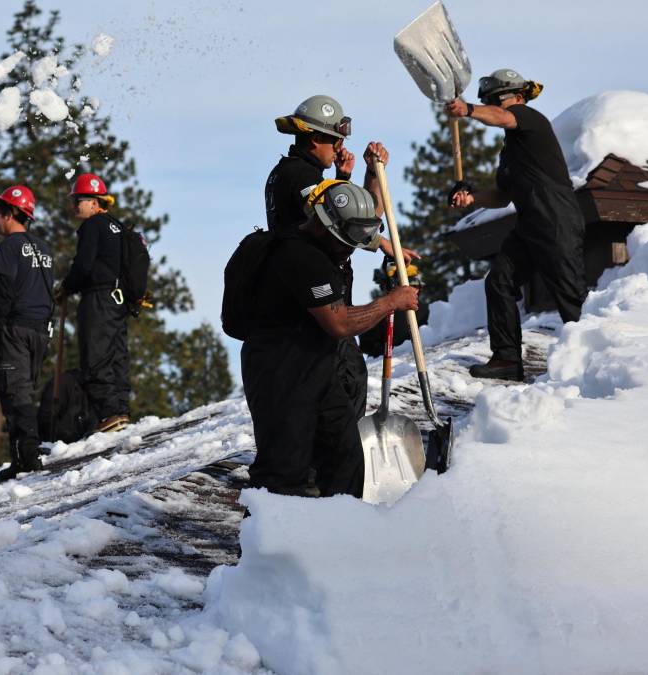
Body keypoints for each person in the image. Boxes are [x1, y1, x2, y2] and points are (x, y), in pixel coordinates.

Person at [242, 181, 420, 498]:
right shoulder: (302, 257)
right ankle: (265, 545)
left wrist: (382, 241)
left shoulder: (326, 240)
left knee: (345, 456)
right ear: (326, 227)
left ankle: (338, 536)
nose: (351, 249)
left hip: (317, 369)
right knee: (282, 474)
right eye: (346, 242)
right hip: (280, 374)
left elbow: (360, 231)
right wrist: (390, 302)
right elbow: (338, 323)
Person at [268, 94, 418, 414]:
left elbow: (355, 218)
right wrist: (384, 244)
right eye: (335, 140)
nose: (339, 147)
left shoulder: (291, 174)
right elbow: (349, 226)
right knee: (347, 384)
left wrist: (360, 177)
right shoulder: (300, 177)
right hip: (318, 308)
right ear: (314, 139)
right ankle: (342, 460)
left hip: (302, 308)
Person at [446, 69, 587, 381]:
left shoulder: (530, 119)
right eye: (492, 101)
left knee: (570, 297)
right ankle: (507, 359)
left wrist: (468, 109)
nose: (497, 106)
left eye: (499, 100)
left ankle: (592, 361)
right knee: (499, 281)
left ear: (518, 97)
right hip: (529, 224)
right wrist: (472, 198)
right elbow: (501, 197)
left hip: (556, 220)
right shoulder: (510, 150)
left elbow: (502, 117)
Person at [0, 185, 54, 481]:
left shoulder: (10, 247)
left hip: (16, 327)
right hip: (40, 329)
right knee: (25, 388)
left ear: (11, 214)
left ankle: (27, 457)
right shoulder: (43, 248)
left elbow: (5, 291)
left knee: (15, 391)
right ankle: (25, 453)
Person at [55, 173, 131, 434]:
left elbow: (84, 264)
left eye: (81, 199)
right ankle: (120, 408)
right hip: (118, 298)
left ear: (96, 201)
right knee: (116, 353)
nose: (76, 204)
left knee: (96, 353)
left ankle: (109, 413)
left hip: (98, 297)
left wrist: (67, 286)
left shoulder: (92, 225)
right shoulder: (117, 226)